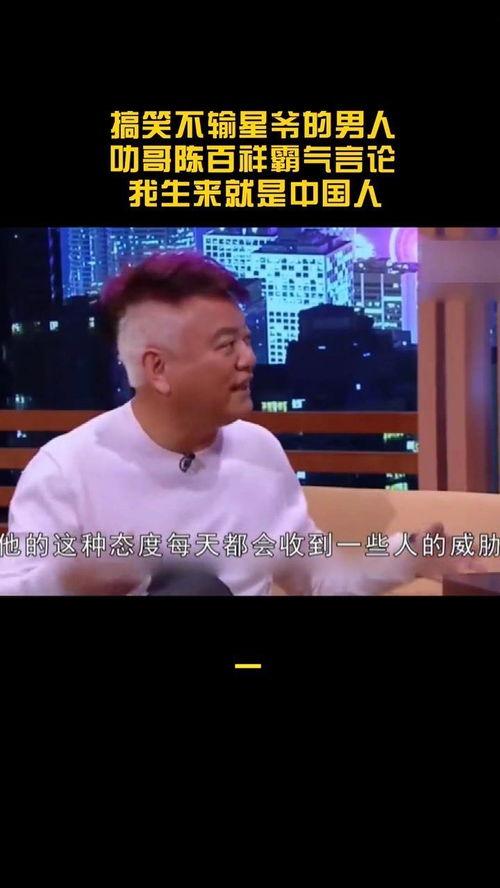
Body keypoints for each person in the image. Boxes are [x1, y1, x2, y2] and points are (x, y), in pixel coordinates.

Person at [0, 251, 469, 595]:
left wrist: (406, 555)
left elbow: (317, 580)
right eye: (227, 346)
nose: (249, 359)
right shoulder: (66, 469)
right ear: (157, 369)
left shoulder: (258, 449)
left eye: (246, 340)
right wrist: (65, 580)